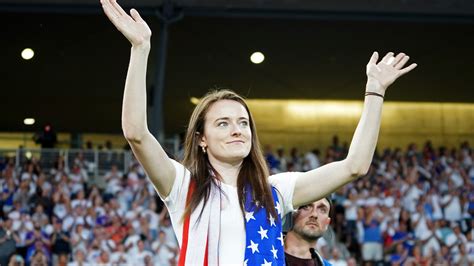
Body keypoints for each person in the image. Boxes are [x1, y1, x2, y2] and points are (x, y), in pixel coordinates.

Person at [99, 0, 417, 264]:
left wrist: (375, 92)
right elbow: (137, 133)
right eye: (222, 123)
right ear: (202, 139)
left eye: (243, 122)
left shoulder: (275, 192)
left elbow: (355, 166)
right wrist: (140, 49)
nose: (237, 130)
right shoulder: (185, 188)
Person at [284, 197, 332, 265]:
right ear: (292, 213)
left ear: (327, 223)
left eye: (322, 210)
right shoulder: (265, 252)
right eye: (306, 206)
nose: (314, 214)